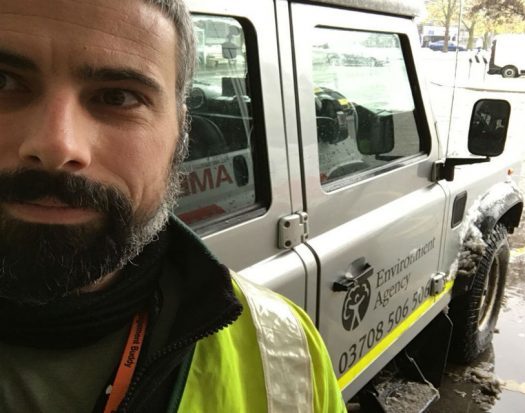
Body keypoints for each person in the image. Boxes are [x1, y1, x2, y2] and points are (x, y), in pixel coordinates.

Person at [0, 0, 346, 412]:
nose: (57, 146)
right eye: (2, 82)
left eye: (117, 96)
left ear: (181, 131)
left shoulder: (285, 350)